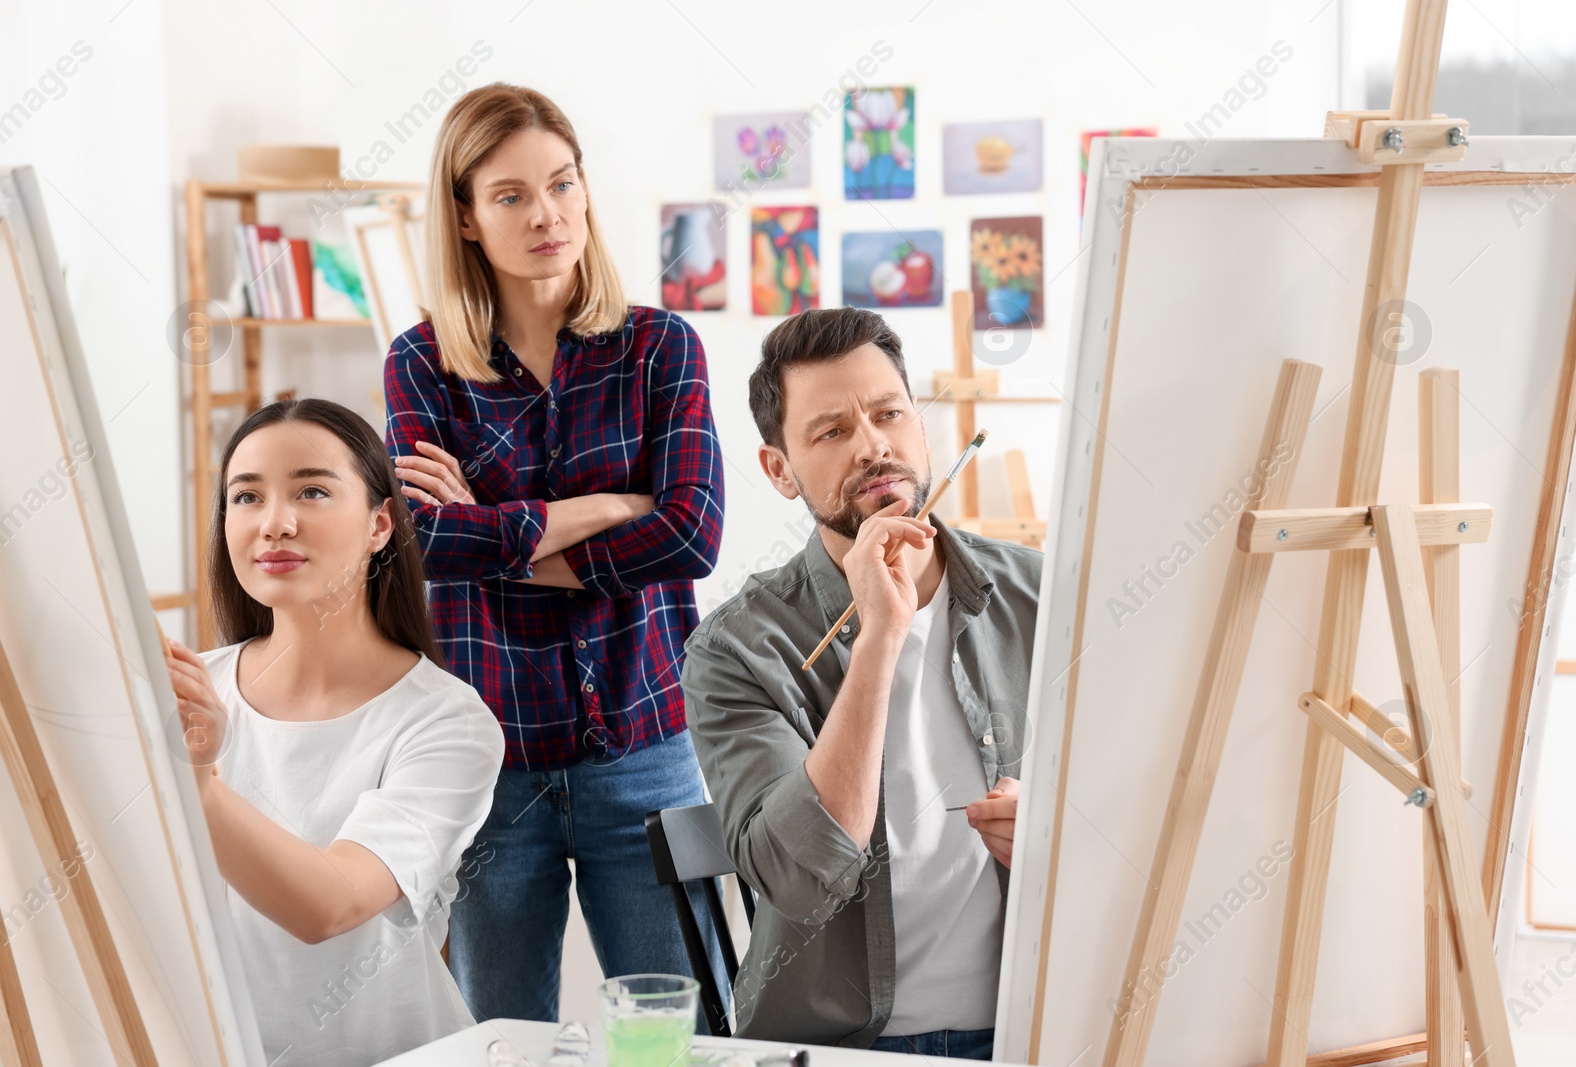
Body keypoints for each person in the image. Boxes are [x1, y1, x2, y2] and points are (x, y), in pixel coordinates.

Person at [382, 82, 728, 1024]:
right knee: (500, 1036)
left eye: (563, 184)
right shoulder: (421, 365)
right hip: (491, 766)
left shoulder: (662, 348)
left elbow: (693, 533)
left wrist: (507, 537)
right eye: (510, 195)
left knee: (684, 1034)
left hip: (648, 749)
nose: (547, 215)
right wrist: (607, 506)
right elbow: (426, 544)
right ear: (463, 216)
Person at [681, 307, 1043, 1057]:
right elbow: (802, 880)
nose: (874, 447)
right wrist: (879, 636)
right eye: (831, 431)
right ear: (779, 469)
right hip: (840, 1050)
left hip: (1030, 1035)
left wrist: (1058, 827)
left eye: (888, 415)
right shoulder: (736, 647)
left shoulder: (1043, 597)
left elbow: (1142, 808)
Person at [164, 398, 504, 1067]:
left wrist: (197, 784)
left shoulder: (448, 721)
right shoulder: (188, 691)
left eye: (312, 490)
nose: (274, 523)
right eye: (246, 497)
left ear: (380, 523)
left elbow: (330, 904)